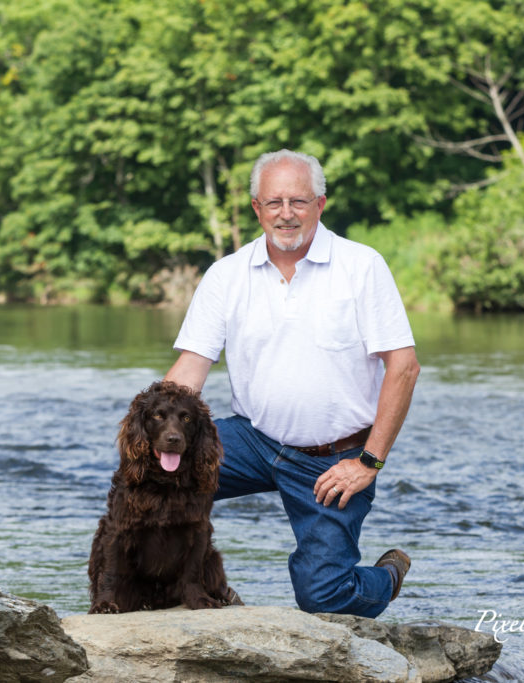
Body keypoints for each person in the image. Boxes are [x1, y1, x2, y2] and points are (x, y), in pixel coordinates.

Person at [165, 149, 420, 617]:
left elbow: (403, 367)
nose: (286, 214)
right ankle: (205, 587)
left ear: (320, 204)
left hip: (334, 459)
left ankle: (385, 578)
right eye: (274, 202)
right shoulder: (226, 275)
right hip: (253, 439)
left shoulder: (361, 266)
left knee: (324, 598)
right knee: (157, 479)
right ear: (256, 208)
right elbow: (188, 372)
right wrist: (145, 439)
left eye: (298, 202)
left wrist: (369, 462)